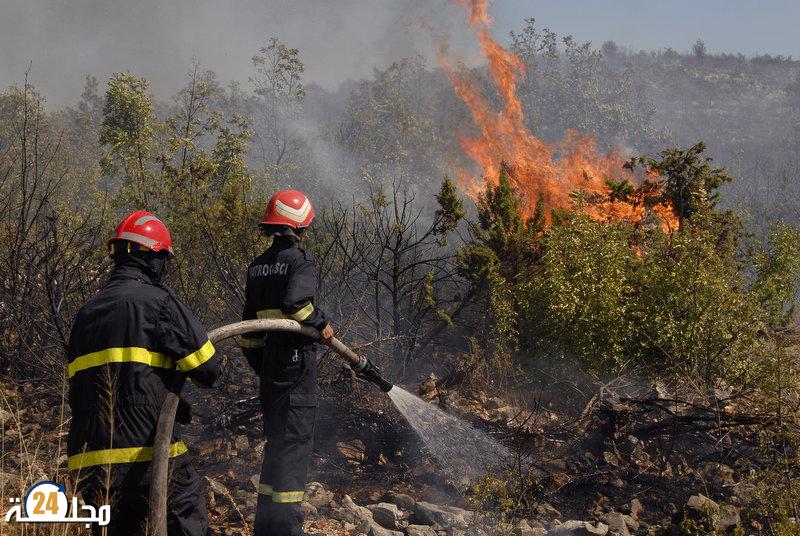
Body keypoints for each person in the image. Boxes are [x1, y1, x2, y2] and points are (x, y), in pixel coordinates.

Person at [66, 210, 220, 536]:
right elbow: (208, 369)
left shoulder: (85, 314)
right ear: (152, 258)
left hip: (91, 466)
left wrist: (166, 394)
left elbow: (109, 381)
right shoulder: (157, 302)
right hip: (147, 458)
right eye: (164, 259)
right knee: (186, 519)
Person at [240, 190, 334, 536]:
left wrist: (266, 368)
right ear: (299, 227)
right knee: (293, 451)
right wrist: (321, 323)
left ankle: (266, 528)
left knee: (276, 448)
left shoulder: (257, 266)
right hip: (296, 372)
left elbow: (248, 334)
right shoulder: (299, 261)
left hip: (272, 375)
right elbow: (298, 304)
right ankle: (287, 530)